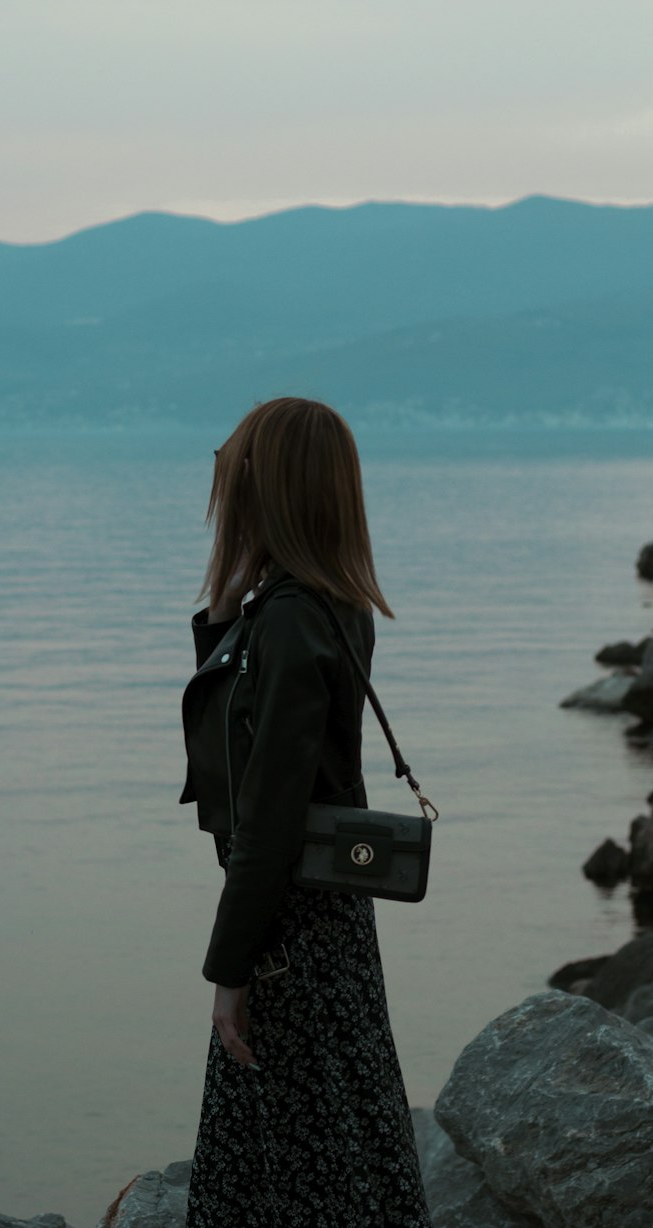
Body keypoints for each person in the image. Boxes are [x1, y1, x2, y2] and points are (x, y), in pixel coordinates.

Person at [179, 396, 433, 1227]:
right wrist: (223, 605)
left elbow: (267, 818)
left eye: (240, 479)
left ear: (268, 492)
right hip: (330, 925)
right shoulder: (327, 604)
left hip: (289, 938)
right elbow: (239, 734)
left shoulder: (289, 621)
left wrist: (228, 971)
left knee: (283, 1167)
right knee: (344, 1150)